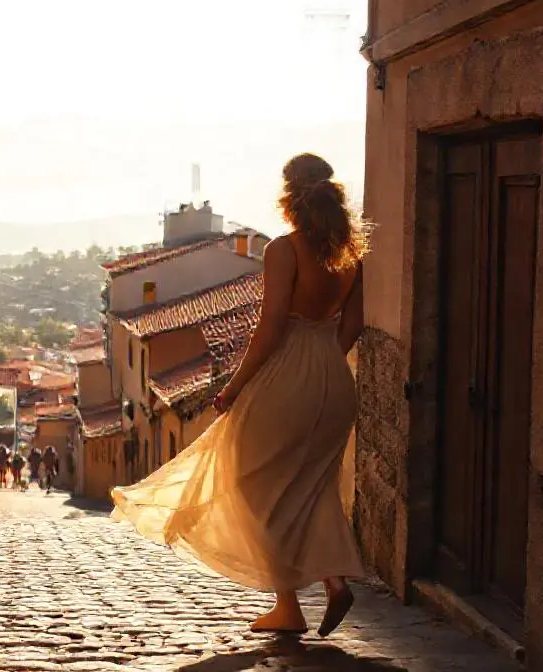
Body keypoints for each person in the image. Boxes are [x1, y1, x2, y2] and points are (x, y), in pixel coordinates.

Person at [111, 153, 369, 638]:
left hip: (287, 372)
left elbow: (269, 329)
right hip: (334, 379)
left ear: (289, 197)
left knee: (250, 482)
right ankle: (328, 585)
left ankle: (292, 603)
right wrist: (323, 363)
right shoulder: (352, 254)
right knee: (311, 486)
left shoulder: (284, 251)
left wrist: (234, 385)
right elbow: (352, 324)